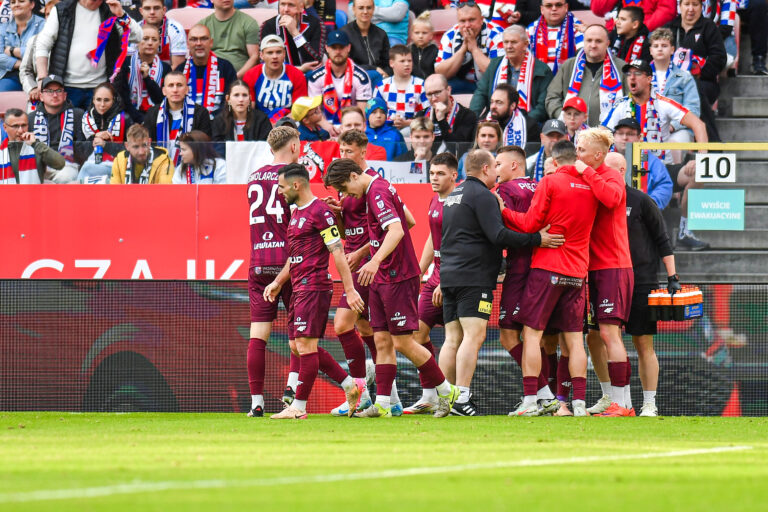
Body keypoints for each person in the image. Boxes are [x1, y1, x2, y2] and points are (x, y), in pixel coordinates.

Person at [324, 159, 461, 418]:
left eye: (345, 188)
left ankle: (446, 390)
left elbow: (397, 229)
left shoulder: (377, 191)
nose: (346, 195)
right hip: (382, 276)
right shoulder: (372, 190)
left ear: (354, 176)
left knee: (402, 342)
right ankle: (384, 404)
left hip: (397, 275)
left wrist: (375, 260)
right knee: (382, 340)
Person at [441, 149, 562, 416]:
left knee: (456, 339)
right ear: (485, 168)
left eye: (500, 164)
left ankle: (445, 397)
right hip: (490, 275)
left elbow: (458, 235)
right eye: (494, 165)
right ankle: (462, 398)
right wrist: (537, 240)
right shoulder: (495, 193)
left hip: (453, 274)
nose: (496, 171)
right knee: (483, 337)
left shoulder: (455, 195)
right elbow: (498, 234)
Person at [499, 140, 597, 417]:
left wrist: (504, 210)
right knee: (575, 341)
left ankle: (531, 400)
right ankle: (579, 404)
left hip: (548, 268)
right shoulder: (591, 186)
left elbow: (529, 224)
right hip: (578, 272)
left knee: (532, 336)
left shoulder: (550, 182)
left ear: (554, 162)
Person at [264, 163, 367, 419]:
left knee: (305, 345)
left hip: (314, 286)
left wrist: (350, 289)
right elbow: (295, 256)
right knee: (296, 346)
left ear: (296, 185)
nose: (279, 192)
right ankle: (349, 386)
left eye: (282, 187)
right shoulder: (296, 212)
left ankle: (298, 407)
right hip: (298, 286)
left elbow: (338, 251)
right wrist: (278, 282)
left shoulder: (320, 212)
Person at [604, 151, 680, 416]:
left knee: (643, 343)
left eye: (608, 169)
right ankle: (621, 402)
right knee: (609, 340)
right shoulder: (599, 200)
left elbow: (663, 240)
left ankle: (650, 403)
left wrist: (672, 278)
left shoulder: (641, 200)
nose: (603, 174)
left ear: (622, 170)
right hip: (609, 280)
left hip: (642, 281)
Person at [321, 129, 387, 417]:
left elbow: (388, 228)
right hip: (355, 265)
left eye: (349, 151)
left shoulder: (373, 183)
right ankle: (389, 396)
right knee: (366, 329)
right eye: (341, 151)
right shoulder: (346, 185)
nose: (344, 156)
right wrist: (338, 214)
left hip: (368, 265)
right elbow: (349, 232)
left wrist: (361, 254)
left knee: (342, 324)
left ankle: (360, 393)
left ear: (363, 150)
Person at [570, 127, 634, 417]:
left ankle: (622, 403)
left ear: (598, 155)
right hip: (593, 268)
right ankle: (613, 398)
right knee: (594, 336)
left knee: (610, 333)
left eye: (582, 150)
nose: (577, 154)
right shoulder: (588, 177)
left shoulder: (610, 175)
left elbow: (611, 199)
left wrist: (586, 172)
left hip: (613, 266)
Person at [494, 145, 560, 415]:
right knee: (542, 338)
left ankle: (540, 395)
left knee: (510, 336)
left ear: (514, 165)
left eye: (498, 164)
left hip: (520, 270)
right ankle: (551, 396)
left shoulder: (505, 191)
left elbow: (502, 232)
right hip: (548, 269)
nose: (495, 170)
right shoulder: (542, 186)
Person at [245, 126, 299, 416]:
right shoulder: (294, 176)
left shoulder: (254, 177)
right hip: (288, 262)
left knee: (258, 336)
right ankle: (291, 389)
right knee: (300, 333)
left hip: (258, 262)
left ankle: (256, 403)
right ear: (293, 146)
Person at [404, 152, 458, 414]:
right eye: (432, 173)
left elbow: (461, 245)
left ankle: (454, 396)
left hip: (455, 278)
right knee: (415, 334)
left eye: (440, 174)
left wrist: (445, 281)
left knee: (454, 340)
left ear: (454, 176)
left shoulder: (459, 204)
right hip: (434, 277)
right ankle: (429, 396)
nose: (434, 178)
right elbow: (432, 239)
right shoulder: (434, 199)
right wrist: (419, 271)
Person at [35, 0, 143, 110]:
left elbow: (137, 36)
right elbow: (43, 44)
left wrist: (121, 15)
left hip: (100, 88)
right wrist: (42, 78)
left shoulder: (110, 10)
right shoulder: (61, 10)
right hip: (66, 87)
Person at [602, 58, 708, 163]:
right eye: (629, 74)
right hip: (629, 166)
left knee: (688, 172)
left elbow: (698, 125)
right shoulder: (621, 105)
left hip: (662, 166)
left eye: (637, 73)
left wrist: (702, 161)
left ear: (649, 79)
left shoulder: (664, 103)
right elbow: (602, 131)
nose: (632, 77)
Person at [665, 0, 726, 139]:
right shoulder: (669, 27)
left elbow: (719, 58)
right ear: (680, 6)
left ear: (701, 7)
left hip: (704, 82)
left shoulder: (709, 27)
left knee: (695, 89)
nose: (691, 9)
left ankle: (712, 144)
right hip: (671, 82)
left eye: (695, 4)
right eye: (687, 4)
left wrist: (699, 72)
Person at [545, 25, 628, 126]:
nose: (593, 45)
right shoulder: (569, 65)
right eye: (589, 40)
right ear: (583, 42)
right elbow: (552, 97)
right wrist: (564, 118)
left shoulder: (621, 68)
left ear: (608, 43)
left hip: (610, 132)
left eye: (598, 41)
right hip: (571, 131)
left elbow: (630, 101)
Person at [471, 24, 553, 124]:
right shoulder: (494, 65)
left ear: (525, 44)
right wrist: (471, 117)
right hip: (496, 118)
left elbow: (542, 107)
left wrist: (522, 122)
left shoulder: (542, 70)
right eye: (506, 42)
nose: (509, 46)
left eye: (514, 42)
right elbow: (481, 93)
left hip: (529, 122)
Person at [648, 26, 701, 157]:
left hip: (677, 129)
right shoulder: (641, 76)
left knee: (674, 145)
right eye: (656, 46)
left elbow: (693, 109)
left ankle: (675, 170)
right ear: (650, 50)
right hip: (648, 127)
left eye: (664, 46)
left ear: (672, 50)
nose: (660, 49)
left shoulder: (684, 77)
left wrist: (672, 126)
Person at [307, 30, 373, 130]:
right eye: (334, 48)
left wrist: (347, 128)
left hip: (353, 126)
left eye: (341, 47)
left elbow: (362, 112)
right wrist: (327, 127)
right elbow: (315, 111)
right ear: (327, 48)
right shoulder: (315, 77)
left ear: (348, 48)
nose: (338, 52)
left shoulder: (361, 77)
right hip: (325, 127)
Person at [143, 71, 212, 165]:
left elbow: (204, 147)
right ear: (164, 91)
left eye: (179, 85)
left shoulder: (201, 113)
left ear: (187, 89)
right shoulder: (152, 113)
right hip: (159, 167)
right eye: (171, 85)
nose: (175, 90)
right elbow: (148, 145)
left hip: (191, 166)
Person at [434, 1, 504, 94]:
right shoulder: (450, 35)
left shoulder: (496, 34)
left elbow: (497, 73)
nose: (467, 25)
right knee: (440, 87)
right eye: (463, 21)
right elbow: (441, 74)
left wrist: (474, 49)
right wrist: (463, 49)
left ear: (481, 20)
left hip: (490, 87)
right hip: (464, 84)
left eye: (471, 20)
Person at [28, 74, 85, 183]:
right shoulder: (31, 118)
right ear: (41, 96)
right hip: (40, 164)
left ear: (65, 95)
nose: (54, 95)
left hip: (67, 164)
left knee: (65, 178)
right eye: (49, 91)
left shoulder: (78, 115)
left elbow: (83, 147)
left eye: (58, 91)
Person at [243, 35, 308, 125]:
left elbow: (299, 110)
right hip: (260, 123)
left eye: (278, 52)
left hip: (289, 122)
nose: (275, 56)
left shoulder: (297, 75)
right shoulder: (251, 75)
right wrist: (265, 125)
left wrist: (279, 124)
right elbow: (250, 109)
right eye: (270, 53)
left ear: (284, 54)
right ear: (261, 55)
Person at [177, 25, 238, 120]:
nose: (198, 43)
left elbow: (230, 101)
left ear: (211, 43)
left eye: (203, 39)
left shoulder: (225, 67)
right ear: (188, 44)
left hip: (218, 122)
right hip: (187, 122)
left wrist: (213, 120)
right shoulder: (180, 71)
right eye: (194, 39)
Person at [612, 117, 673, 209]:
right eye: (620, 133)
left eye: (630, 134)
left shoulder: (651, 161)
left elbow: (664, 186)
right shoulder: (604, 158)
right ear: (614, 136)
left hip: (641, 213)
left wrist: (648, 204)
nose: (624, 137)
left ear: (639, 138)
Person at [114, 24, 170, 124]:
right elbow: (122, 97)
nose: (150, 43)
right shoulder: (125, 64)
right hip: (130, 117)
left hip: (156, 116)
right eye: (145, 39)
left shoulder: (165, 68)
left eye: (154, 39)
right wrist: (139, 119)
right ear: (137, 41)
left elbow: (162, 99)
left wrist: (147, 78)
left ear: (159, 43)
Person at [78, 82, 132, 183]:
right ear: (93, 100)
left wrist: (106, 145)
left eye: (106, 100)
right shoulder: (84, 119)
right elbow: (77, 151)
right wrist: (94, 138)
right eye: (98, 100)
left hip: (118, 169)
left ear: (114, 100)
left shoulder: (125, 119)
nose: (102, 105)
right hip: (89, 169)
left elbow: (132, 150)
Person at [0, 108, 65, 184]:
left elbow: (60, 164)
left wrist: (35, 144)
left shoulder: (37, 147)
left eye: (24, 125)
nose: (20, 130)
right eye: (15, 126)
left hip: (34, 192)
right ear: (5, 127)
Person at [260, 0, 324, 73]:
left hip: (309, 75)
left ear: (301, 7)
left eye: (291, 5)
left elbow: (315, 62)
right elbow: (265, 64)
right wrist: (298, 70)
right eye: (282, 4)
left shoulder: (316, 24)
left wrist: (295, 32)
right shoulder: (267, 26)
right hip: (280, 77)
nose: (286, 9)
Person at [374, 45, 428, 130]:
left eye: (409, 61)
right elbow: (374, 114)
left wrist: (406, 123)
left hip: (413, 129)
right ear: (391, 63)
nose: (407, 64)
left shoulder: (421, 85)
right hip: (387, 129)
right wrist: (390, 121)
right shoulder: (381, 86)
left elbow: (427, 116)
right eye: (402, 61)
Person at [200, 0, 260, 78]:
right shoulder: (203, 25)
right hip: (210, 77)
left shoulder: (249, 22)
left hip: (239, 79)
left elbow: (254, 56)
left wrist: (235, 78)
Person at [18, 0, 59, 107]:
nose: (50, 18)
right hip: (40, 94)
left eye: (54, 15)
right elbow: (25, 70)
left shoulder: (72, 42)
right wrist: (32, 88)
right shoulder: (34, 40)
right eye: (48, 14)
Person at [418, 74, 479, 146]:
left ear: (448, 90)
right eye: (429, 94)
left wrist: (441, 120)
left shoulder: (467, 116)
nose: (433, 98)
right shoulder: (421, 116)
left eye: (437, 92)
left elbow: (457, 148)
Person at [526, 0, 584, 74]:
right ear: (542, 9)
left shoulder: (577, 27)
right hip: (539, 78)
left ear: (566, 7)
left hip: (568, 76)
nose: (554, 9)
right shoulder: (531, 29)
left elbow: (582, 54)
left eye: (558, 5)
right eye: (549, 5)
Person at [341, 0, 391, 85]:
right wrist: (373, 69)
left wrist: (386, 73)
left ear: (373, 9)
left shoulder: (381, 34)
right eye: (361, 8)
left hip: (380, 78)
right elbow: (344, 63)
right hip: (353, 78)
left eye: (369, 8)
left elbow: (388, 62)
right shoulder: (344, 33)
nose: (365, 12)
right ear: (354, 9)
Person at [0, 0, 45, 92]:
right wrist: (22, 64)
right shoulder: (3, 27)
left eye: (21, 1)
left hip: (36, 74)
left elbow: (40, 52)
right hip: (10, 74)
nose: (16, 5)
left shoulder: (43, 25)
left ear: (32, 4)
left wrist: (12, 51)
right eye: (13, 2)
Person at [212, 80, 272, 144]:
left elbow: (265, 146)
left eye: (244, 95)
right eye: (236, 95)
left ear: (250, 98)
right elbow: (217, 147)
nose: (241, 99)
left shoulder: (262, 120)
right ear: (228, 99)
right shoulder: (219, 121)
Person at [487, 84, 541, 149]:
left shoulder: (529, 126)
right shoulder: (482, 122)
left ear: (512, 106)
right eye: (492, 102)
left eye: (499, 102)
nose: (493, 106)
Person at [137, 0, 186, 69]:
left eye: (156, 8)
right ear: (141, 11)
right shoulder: (134, 30)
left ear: (164, 10)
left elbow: (177, 67)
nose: (152, 12)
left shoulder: (176, 30)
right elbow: (129, 64)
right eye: (147, 8)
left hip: (168, 74)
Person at [591, 0, 677, 33]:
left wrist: (641, 29)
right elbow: (598, 8)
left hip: (646, 33)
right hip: (615, 32)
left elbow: (667, 11)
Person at [409, 11, 439, 80]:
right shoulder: (408, 50)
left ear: (431, 35)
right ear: (412, 35)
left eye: (424, 33)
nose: (420, 36)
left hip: (430, 82)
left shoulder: (436, 51)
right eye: (417, 33)